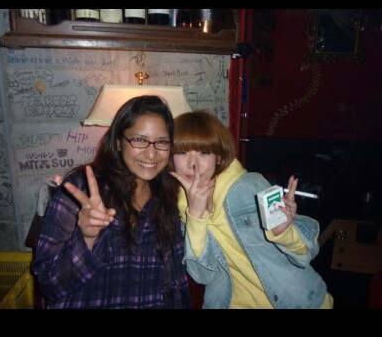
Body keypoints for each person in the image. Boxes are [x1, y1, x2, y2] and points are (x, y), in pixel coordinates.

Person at [32, 95, 190, 309]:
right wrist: (86, 238)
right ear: (118, 142)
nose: (152, 154)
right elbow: (48, 284)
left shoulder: (168, 195)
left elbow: (175, 284)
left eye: (161, 142)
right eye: (139, 140)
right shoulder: (82, 189)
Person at [168, 110, 333, 309]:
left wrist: (285, 233)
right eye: (182, 152)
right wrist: (195, 217)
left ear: (218, 157)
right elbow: (203, 276)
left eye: (204, 152)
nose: (192, 164)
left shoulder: (248, 188)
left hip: (296, 302)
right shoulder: (182, 208)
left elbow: (307, 253)